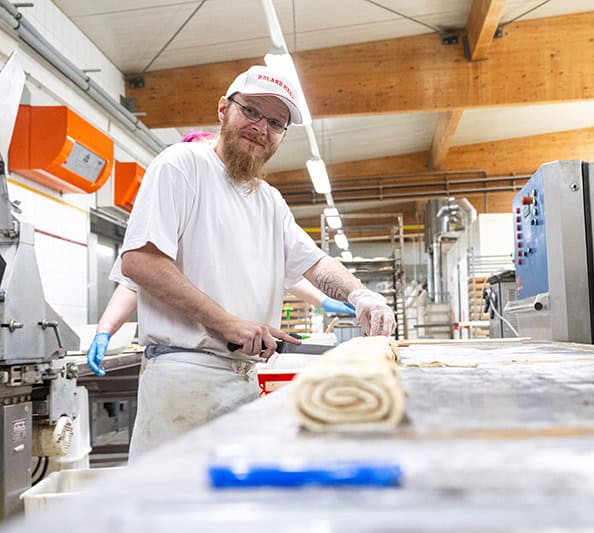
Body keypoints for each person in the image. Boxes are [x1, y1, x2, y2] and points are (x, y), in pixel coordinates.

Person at [114, 64, 394, 458]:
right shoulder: (182, 165)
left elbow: (315, 264)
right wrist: (226, 323)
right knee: (177, 514)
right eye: (251, 112)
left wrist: (362, 295)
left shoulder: (268, 200)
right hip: (184, 381)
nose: (261, 128)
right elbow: (140, 262)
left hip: (244, 379)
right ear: (223, 109)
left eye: (276, 123)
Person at [86, 132, 355, 377]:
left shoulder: (251, 208)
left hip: (243, 365)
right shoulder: (174, 197)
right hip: (186, 365)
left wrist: (327, 299)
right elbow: (134, 279)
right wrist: (104, 331)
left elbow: (292, 271)